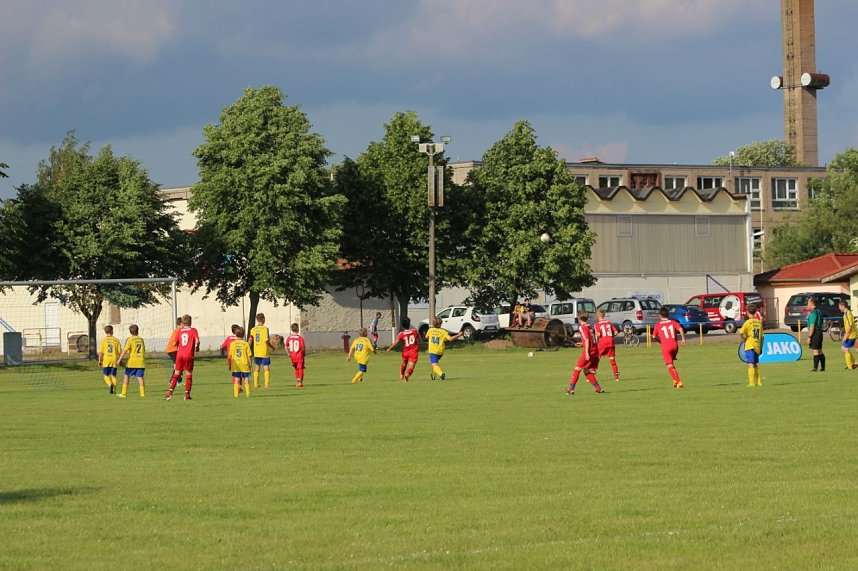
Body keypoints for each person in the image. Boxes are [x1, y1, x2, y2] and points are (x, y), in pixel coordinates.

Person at [566, 311, 605, 395]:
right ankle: (599, 389)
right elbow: (592, 339)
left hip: (589, 351)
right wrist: (582, 343)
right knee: (586, 371)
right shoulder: (589, 326)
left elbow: (587, 339)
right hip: (595, 350)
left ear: (579, 318)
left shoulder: (582, 327)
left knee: (577, 369)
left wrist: (586, 352)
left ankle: (571, 390)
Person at [165, 314, 200, 401]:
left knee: (176, 374)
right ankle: (187, 395)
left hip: (180, 355)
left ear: (182, 322)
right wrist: (197, 347)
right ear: (190, 322)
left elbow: (174, 343)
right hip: (188, 355)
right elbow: (197, 341)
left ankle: (169, 394)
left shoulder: (180, 331)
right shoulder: (193, 330)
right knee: (188, 375)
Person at [652, 306, 687, 388]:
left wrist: (659, 340)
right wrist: (683, 339)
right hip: (675, 346)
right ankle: (674, 380)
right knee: (671, 362)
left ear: (660, 315)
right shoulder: (673, 322)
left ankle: (679, 381)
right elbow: (680, 329)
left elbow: (653, 337)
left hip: (666, 346)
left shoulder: (658, 325)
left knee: (669, 364)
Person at [116, 324, 146, 398]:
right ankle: (142, 394)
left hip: (132, 362)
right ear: (138, 331)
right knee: (140, 377)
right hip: (141, 361)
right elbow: (144, 350)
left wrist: (119, 359)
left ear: (130, 332)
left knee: (126, 376)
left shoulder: (130, 339)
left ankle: (124, 394)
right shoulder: (141, 339)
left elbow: (125, 350)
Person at [387, 316, 420, 382]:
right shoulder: (414, 331)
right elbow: (420, 338)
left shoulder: (401, 334)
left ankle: (402, 374)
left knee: (404, 363)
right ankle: (407, 374)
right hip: (413, 352)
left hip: (405, 352)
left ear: (402, 325)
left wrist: (390, 348)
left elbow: (396, 342)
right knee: (411, 366)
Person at [739, 304, 765, 387]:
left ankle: (751, 383)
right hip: (757, 345)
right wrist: (761, 347)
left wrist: (744, 339)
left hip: (750, 344)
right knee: (755, 364)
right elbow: (762, 336)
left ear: (747, 312)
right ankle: (759, 382)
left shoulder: (748, 322)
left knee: (750, 363)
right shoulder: (758, 322)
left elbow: (741, 332)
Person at [250, 313, 275, 389]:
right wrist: (271, 347)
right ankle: (266, 384)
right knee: (266, 367)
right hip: (264, 351)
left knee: (257, 367)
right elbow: (266, 340)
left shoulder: (253, 329)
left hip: (256, 351)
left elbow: (250, 339)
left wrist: (247, 346)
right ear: (263, 319)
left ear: (257, 320)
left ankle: (256, 384)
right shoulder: (265, 328)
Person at [595, 309, 621, 381]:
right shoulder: (609, 322)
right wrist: (610, 337)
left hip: (602, 343)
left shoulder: (597, 324)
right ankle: (616, 378)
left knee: (596, 359)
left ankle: (591, 377)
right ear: (604, 315)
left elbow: (598, 334)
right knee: (612, 360)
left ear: (597, 315)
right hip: (610, 342)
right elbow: (616, 332)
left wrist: (596, 343)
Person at [227, 326, 252, 398]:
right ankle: (248, 394)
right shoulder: (246, 344)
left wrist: (229, 365)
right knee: (246, 379)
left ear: (236, 334)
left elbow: (230, 356)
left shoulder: (232, 344)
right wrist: (250, 365)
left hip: (236, 364)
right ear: (244, 335)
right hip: (244, 364)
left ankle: (236, 394)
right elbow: (249, 356)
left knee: (237, 379)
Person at [97, 325, 121, 394]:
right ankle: (114, 391)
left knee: (106, 375)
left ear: (105, 332)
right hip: (114, 359)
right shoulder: (116, 340)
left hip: (106, 359)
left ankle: (110, 384)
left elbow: (101, 352)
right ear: (112, 331)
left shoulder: (104, 340)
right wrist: (120, 359)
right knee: (113, 375)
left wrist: (100, 360)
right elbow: (120, 352)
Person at [806, 296, 826, 372]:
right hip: (820, 332)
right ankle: (823, 368)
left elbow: (812, 325)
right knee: (820, 350)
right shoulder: (819, 311)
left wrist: (809, 336)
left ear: (811, 303)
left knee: (815, 351)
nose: (807, 304)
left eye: (808, 302)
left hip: (815, 333)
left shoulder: (813, 312)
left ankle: (815, 368)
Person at [286, 323, 306, 388]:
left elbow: (286, 346)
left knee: (296, 368)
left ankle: (298, 381)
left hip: (292, 356)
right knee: (300, 368)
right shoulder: (300, 338)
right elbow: (303, 348)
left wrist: (288, 353)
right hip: (299, 355)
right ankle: (299, 381)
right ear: (297, 329)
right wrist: (304, 354)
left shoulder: (289, 338)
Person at [838, 299, 856, 370]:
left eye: (839, 306)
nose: (839, 308)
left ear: (843, 306)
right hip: (851, 334)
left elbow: (850, 326)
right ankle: (853, 363)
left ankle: (850, 366)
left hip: (851, 335)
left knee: (845, 349)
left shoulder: (848, 313)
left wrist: (846, 335)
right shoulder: (846, 313)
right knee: (844, 348)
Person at [165, 317, 183, 386]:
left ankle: (177, 381)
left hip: (171, 350)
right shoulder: (179, 331)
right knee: (178, 366)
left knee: (178, 365)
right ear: (181, 324)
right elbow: (175, 342)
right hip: (173, 350)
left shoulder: (177, 330)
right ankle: (175, 381)